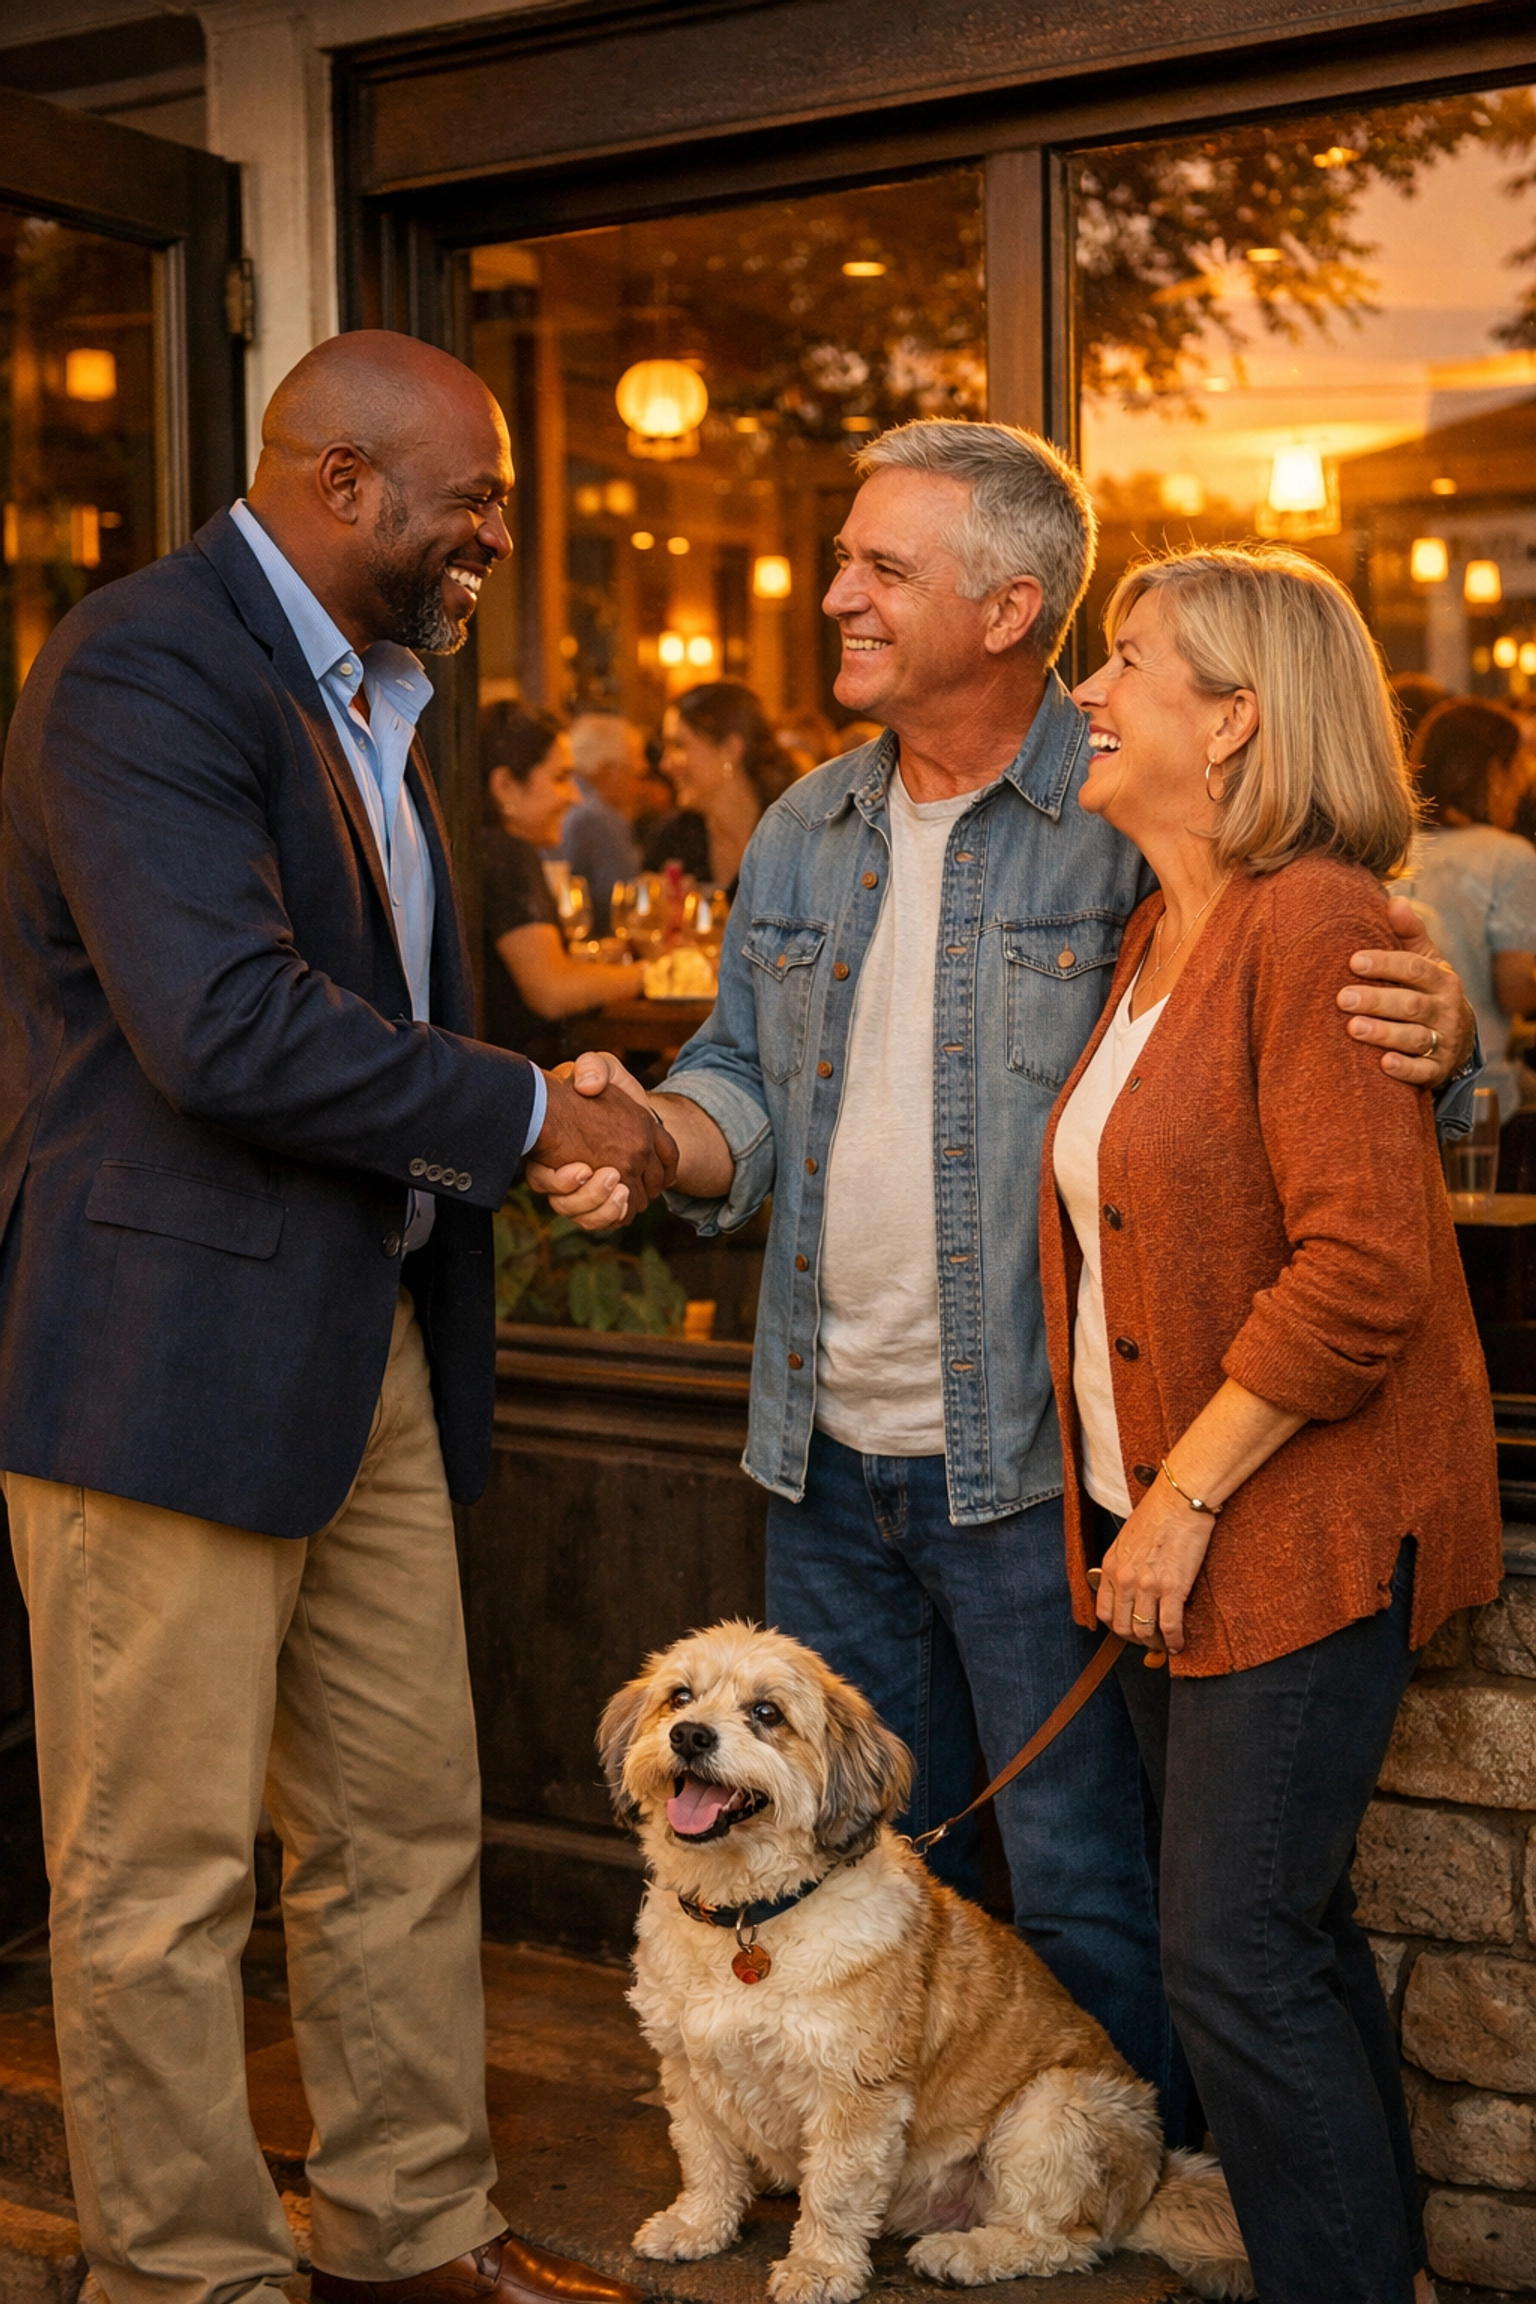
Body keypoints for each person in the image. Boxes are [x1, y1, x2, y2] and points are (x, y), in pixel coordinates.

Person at [527, 418, 1478, 2130]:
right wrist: (653, 1135)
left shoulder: (1127, 803)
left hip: (1038, 1467)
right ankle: (910, 2186)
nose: (836, 597)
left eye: (880, 567)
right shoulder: (812, 824)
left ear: (1006, 603)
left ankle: (1123, 2195)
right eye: (845, 562)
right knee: (854, 1876)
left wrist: (1452, 1030)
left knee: (1092, 1890)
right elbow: (741, 1071)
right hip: (817, 1454)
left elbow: (1329, 1000)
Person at [0, 328, 672, 2304]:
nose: (492, 547)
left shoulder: (376, 696)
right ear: (340, 483)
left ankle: (408, 2240)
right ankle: (191, 2277)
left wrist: (521, 1128)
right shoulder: (142, 664)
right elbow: (222, 1026)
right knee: (159, 1880)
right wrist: (539, 1107)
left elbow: (373, 1020)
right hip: (163, 1355)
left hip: (366, 1336)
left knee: (397, 1825)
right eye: (469, 512)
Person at [1041, 544, 1501, 2304]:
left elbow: (1365, 1269)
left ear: (1232, 719)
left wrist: (1178, 1499)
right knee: (1272, 1946)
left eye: (1132, 660)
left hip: (1281, 1532)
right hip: (1175, 1526)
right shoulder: (1165, 922)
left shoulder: (1309, 917)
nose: (1090, 688)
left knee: (1230, 1955)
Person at [482, 701, 645, 1065]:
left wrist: (597, 959)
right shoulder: (504, 852)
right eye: (559, 778)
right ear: (505, 785)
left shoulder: (493, 847)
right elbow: (550, 990)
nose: (574, 795)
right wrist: (659, 975)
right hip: (524, 1083)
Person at [1400, 696, 1536, 1117]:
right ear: (1493, 772)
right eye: (1519, 766)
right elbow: (1514, 986)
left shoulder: (1395, 848)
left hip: (1403, 1085)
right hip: (1479, 1091)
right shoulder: (1507, 856)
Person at [645, 679, 796, 890]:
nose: (665, 765)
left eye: (679, 746)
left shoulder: (792, 833)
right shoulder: (673, 838)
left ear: (731, 749)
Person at [561, 711, 643, 933]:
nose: (637, 787)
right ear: (607, 769)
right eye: (634, 772)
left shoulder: (561, 802)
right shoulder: (600, 817)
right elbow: (626, 904)